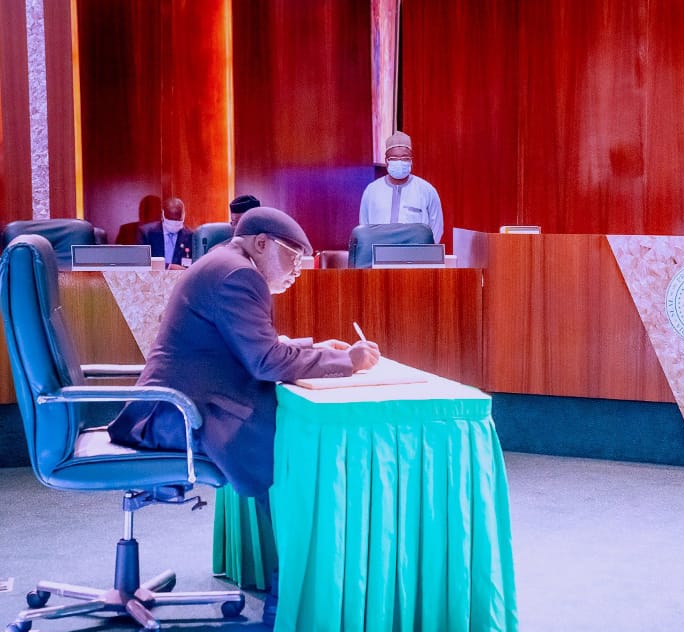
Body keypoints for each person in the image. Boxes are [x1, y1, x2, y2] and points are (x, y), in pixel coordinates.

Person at [109, 206, 381, 502]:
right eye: (293, 257)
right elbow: (267, 362)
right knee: (302, 439)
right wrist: (347, 361)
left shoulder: (224, 260)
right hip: (178, 416)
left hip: (174, 407)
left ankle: (277, 524)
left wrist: (314, 348)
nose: (297, 271)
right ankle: (297, 526)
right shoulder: (239, 275)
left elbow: (251, 347)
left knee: (292, 430)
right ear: (262, 243)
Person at [359, 131, 444, 242]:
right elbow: (364, 227)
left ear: (411, 160)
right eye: (394, 158)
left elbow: (436, 228)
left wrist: (425, 252)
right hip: (378, 251)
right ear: (386, 161)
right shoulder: (372, 190)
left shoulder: (427, 190)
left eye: (405, 158)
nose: (399, 162)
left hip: (416, 252)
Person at [138, 196, 194, 268]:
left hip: (182, 275)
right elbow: (141, 261)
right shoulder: (146, 232)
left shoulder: (190, 235)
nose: (174, 223)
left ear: (183, 215)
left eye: (177, 220)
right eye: (170, 219)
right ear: (163, 214)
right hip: (154, 274)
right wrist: (168, 267)